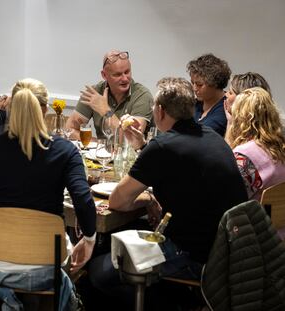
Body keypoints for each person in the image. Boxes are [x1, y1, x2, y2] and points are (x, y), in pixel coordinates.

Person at [88, 77, 247, 309]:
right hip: (226, 251)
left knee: (97, 270)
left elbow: (118, 200)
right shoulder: (212, 137)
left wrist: (148, 199)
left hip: (192, 255)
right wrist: (142, 147)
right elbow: (182, 175)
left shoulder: (164, 146)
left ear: (160, 111)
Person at [0, 78, 96, 306]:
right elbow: (84, 201)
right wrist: (88, 239)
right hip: (48, 262)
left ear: (9, 108)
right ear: (46, 109)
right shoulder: (65, 151)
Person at [66, 49, 154, 139]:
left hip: (133, 153)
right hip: (101, 152)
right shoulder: (94, 93)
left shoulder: (142, 96)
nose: (125, 78)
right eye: (118, 75)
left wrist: (106, 111)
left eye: (127, 72)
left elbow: (132, 139)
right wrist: (98, 144)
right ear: (104, 75)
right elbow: (69, 129)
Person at [225, 87, 285, 201]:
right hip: (277, 217)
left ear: (240, 119)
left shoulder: (244, 157)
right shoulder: (281, 146)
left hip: (251, 218)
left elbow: (227, 198)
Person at [187, 53, 231, 136]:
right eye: (192, 83)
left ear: (215, 83)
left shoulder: (225, 110)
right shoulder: (194, 104)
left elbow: (199, 136)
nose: (194, 88)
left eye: (200, 85)